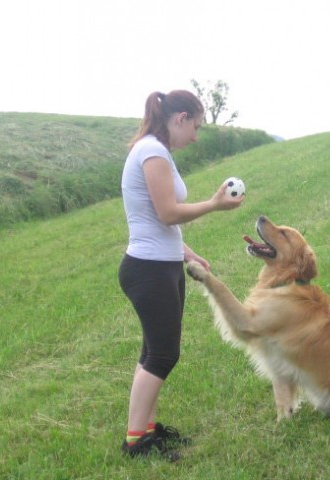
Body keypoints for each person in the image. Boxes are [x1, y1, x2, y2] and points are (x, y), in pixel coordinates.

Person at [118, 90, 243, 460]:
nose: (196, 136)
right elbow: (167, 213)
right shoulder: (152, 152)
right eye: (196, 126)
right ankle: (135, 442)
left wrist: (186, 253)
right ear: (180, 118)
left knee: (153, 353)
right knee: (162, 355)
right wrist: (215, 204)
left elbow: (157, 222)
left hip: (162, 264)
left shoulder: (155, 150)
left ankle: (148, 431)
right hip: (148, 269)